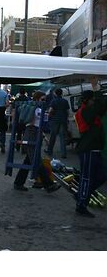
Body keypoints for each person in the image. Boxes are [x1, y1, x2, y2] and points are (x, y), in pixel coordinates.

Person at [13, 91, 61, 192]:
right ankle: (49, 184)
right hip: (31, 133)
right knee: (36, 161)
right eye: (42, 99)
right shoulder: (36, 109)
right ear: (36, 99)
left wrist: (43, 136)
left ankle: (19, 183)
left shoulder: (37, 108)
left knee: (29, 160)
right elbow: (43, 119)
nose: (44, 101)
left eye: (44, 100)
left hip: (34, 133)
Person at [74, 77, 107, 218]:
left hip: (94, 148)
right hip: (88, 149)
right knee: (87, 178)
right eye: (92, 99)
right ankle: (81, 204)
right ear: (87, 101)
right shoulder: (85, 111)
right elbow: (99, 106)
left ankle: (82, 194)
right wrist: (96, 88)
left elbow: (101, 106)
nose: (94, 102)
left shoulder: (88, 110)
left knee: (101, 175)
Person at [45, 88, 70, 159]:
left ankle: (49, 151)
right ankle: (63, 153)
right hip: (63, 120)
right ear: (62, 93)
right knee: (62, 137)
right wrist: (66, 118)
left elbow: (50, 110)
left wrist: (49, 117)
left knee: (53, 136)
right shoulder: (65, 101)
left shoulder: (53, 101)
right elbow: (67, 111)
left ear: (55, 93)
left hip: (55, 120)